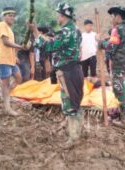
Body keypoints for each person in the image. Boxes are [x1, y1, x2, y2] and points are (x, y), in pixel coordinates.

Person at [29, 2, 84, 146]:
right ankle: (78, 131)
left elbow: (48, 46)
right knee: (75, 101)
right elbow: (58, 43)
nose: (56, 16)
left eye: (58, 14)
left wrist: (35, 32)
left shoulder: (65, 31)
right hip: (75, 70)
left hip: (67, 72)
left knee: (69, 104)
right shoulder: (76, 30)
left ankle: (73, 138)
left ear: (62, 16)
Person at [100, 6, 125, 129]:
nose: (112, 19)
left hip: (118, 66)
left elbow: (111, 47)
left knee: (119, 91)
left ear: (117, 16)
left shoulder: (116, 30)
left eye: (112, 16)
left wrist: (100, 43)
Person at [0, 7, 24, 116]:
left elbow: (11, 46)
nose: (12, 17)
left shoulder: (10, 29)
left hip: (11, 59)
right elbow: (5, 42)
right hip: (3, 58)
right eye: (9, 15)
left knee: (19, 78)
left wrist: (15, 55)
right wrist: (20, 46)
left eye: (13, 15)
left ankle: (6, 97)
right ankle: (7, 107)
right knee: (5, 83)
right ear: (4, 16)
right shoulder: (2, 25)